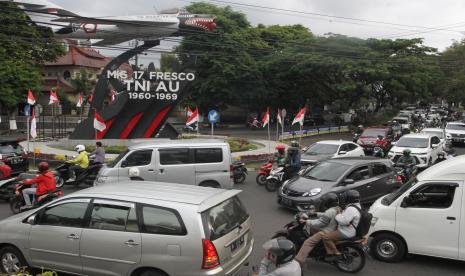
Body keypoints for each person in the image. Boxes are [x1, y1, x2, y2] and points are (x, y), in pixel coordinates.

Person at [295, 193, 340, 267]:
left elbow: (320, 223)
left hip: (326, 231)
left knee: (307, 242)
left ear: (328, 202)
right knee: (312, 229)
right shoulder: (337, 208)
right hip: (333, 229)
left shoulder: (330, 211)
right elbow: (326, 215)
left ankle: (299, 262)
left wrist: (306, 221)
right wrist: (315, 213)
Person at [321, 190, 362, 260]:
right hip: (353, 230)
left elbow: (343, 221)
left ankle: (334, 254)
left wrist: (338, 214)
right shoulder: (357, 206)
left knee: (325, 237)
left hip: (346, 232)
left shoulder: (351, 209)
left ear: (349, 198)